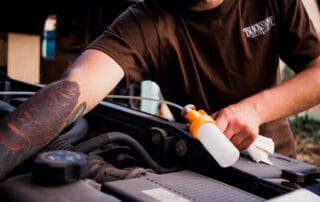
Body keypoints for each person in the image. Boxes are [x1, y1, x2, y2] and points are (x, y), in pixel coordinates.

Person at [0, 0, 319, 179]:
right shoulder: (147, 20)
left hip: (276, 173)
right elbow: (75, 88)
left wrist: (254, 109)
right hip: (193, 177)